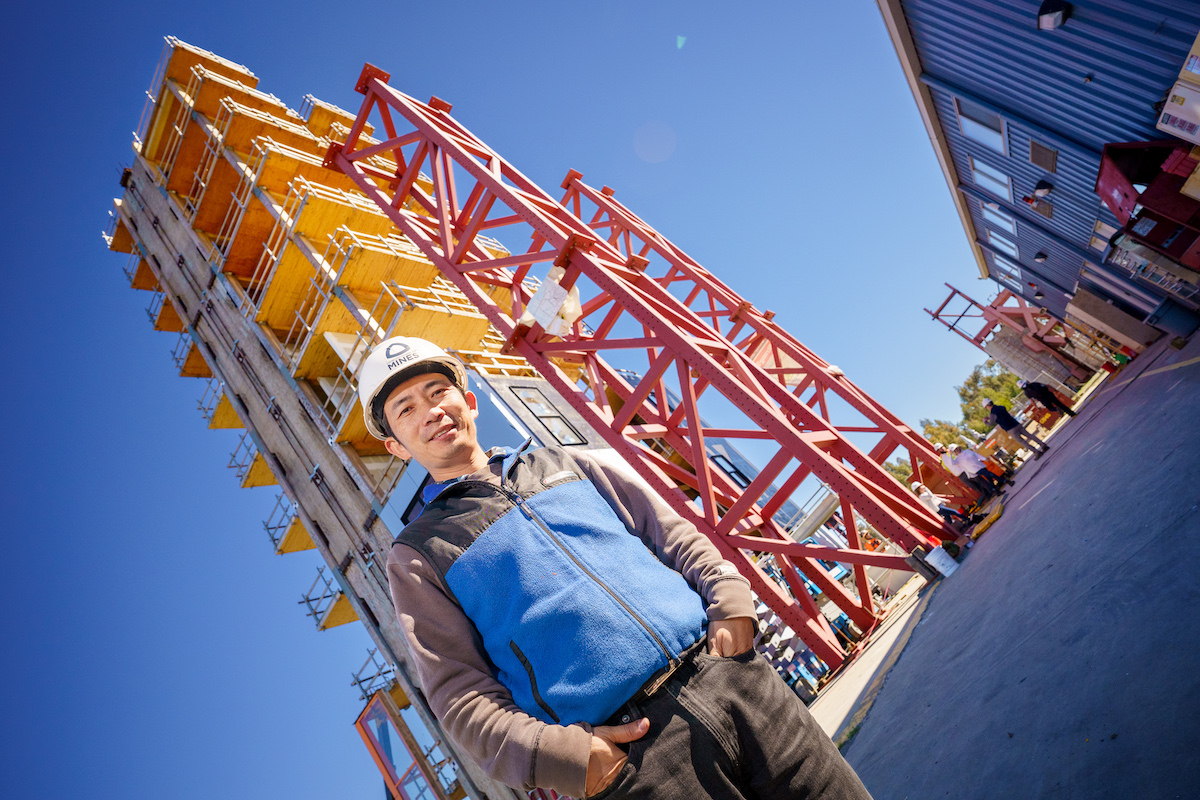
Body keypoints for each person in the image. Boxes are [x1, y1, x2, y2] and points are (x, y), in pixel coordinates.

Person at [358, 336, 873, 800]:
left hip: (734, 682)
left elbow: (670, 532)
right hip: (637, 761)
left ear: (468, 402)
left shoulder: (566, 464)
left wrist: (730, 601)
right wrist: (564, 759)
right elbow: (460, 696)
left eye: (436, 390)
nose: (430, 410)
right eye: (406, 408)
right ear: (396, 446)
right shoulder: (419, 554)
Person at [984, 398, 1049, 458]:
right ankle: (1043, 445)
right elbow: (1001, 415)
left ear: (987, 406)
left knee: (1022, 441)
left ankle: (1036, 452)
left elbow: (991, 423)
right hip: (1016, 424)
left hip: (1010, 429)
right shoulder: (1001, 407)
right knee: (1030, 435)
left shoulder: (992, 413)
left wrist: (985, 421)